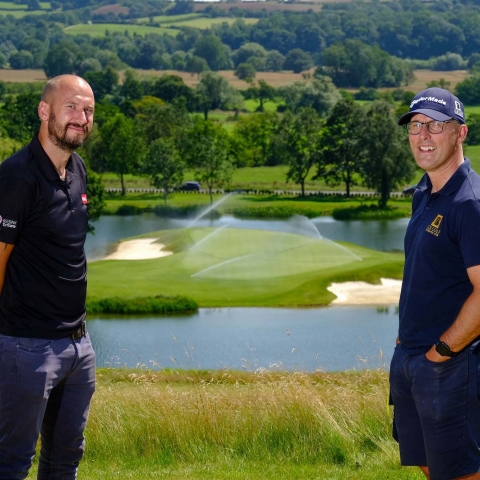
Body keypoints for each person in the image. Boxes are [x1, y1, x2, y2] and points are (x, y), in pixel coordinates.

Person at [0, 75, 96, 479]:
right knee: (12, 463)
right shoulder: (16, 178)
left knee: (64, 460)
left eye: (88, 110)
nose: (82, 118)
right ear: (44, 110)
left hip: (78, 346)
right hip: (27, 346)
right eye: (71, 107)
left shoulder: (77, 168)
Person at [390, 87, 480, 480]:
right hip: (411, 357)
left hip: (451, 364)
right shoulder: (424, 193)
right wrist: (405, 346)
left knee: (460, 471)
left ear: (460, 133)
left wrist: (441, 352)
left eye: (436, 126)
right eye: (415, 126)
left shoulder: (469, 203)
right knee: (428, 464)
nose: (423, 136)